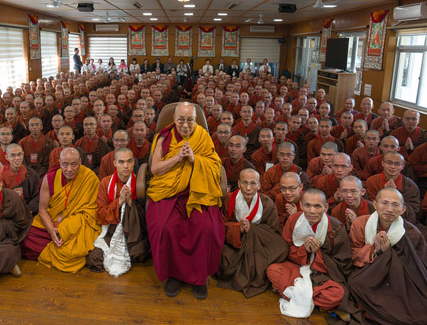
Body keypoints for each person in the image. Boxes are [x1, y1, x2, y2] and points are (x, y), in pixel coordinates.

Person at [146, 103, 223, 299]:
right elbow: (155, 169)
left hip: (198, 190)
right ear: (174, 119)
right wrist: (178, 158)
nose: (185, 124)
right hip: (169, 192)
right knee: (166, 227)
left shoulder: (203, 136)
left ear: (196, 120)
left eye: (190, 120)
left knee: (206, 227)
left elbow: (214, 165)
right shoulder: (163, 137)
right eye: (181, 119)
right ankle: (173, 276)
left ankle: (199, 278)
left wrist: (195, 159)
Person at [348, 188, 427, 324]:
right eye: (384, 203)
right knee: (355, 285)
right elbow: (353, 255)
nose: (389, 209)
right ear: (374, 204)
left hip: (400, 277)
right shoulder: (360, 224)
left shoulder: (412, 232)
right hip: (368, 272)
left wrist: (391, 254)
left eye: (395, 205)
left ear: (403, 209)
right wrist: (374, 250)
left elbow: (421, 267)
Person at [266, 189, 353, 318]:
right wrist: (304, 251)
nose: (312, 211)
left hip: (322, 275)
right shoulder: (294, 220)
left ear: (326, 207)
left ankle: (295, 295)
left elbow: (342, 262)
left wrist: (318, 253)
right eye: (307, 205)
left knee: (338, 294)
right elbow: (284, 249)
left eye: (317, 206)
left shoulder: (336, 227)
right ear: (301, 205)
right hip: (297, 268)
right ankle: (312, 299)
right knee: (272, 270)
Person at [20, 148, 101, 273]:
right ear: (59, 162)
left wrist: (67, 226)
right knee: (26, 237)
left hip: (74, 224)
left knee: (70, 233)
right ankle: (66, 250)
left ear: (80, 162)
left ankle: (62, 248)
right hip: (52, 221)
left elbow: (91, 211)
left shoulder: (89, 178)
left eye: (73, 164)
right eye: (65, 164)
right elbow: (42, 209)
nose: (69, 169)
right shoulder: (50, 178)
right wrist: (51, 230)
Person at [216, 168, 288, 298]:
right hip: (234, 244)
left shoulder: (267, 203)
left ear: (259, 185)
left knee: (281, 249)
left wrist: (253, 230)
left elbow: (273, 232)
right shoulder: (228, 199)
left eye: (253, 183)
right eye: (245, 183)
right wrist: (238, 228)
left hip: (257, 246)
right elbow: (220, 225)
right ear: (238, 184)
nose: (248, 188)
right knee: (224, 260)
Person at [86, 148, 149, 275]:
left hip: (133, 232)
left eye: (129, 161)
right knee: (94, 258)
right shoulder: (106, 182)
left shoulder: (141, 184)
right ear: (115, 163)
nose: (125, 166)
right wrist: (119, 201)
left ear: (133, 163)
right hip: (111, 230)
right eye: (121, 162)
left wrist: (130, 202)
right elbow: (100, 215)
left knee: (139, 253)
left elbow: (146, 219)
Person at [364, 152, 421, 224]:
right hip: (376, 221)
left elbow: (412, 213)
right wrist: (384, 192)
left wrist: (396, 194)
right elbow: (369, 205)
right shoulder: (371, 181)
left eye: (397, 164)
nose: (392, 167)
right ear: (382, 163)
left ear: (403, 166)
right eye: (389, 163)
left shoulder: (410, 185)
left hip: (401, 222)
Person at [0, 143, 41, 216]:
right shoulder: (1, 176)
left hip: (29, 211)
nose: (17, 158)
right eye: (13, 155)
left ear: (23, 154)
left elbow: (38, 194)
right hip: (11, 212)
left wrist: (30, 209)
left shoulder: (30, 173)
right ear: (7, 157)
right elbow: (0, 200)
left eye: (19, 154)